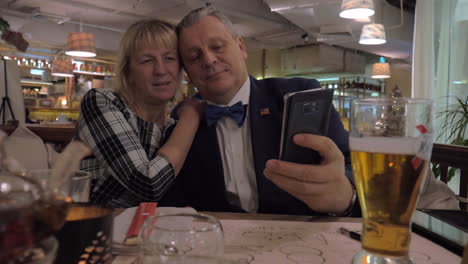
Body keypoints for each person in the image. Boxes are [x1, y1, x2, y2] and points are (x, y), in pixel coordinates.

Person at [167, 7, 358, 216]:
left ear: (241, 47)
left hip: (302, 240)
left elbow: (352, 165)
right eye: (194, 57)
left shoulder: (299, 95)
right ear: (186, 71)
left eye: (218, 46)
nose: (209, 60)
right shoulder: (182, 121)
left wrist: (346, 193)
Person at [75, 19, 203, 208]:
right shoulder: (101, 101)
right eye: (147, 60)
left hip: (143, 232)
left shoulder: (171, 127)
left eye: (169, 58)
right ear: (128, 72)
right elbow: (148, 184)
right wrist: (191, 117)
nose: (160, 70)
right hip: (88, 228)